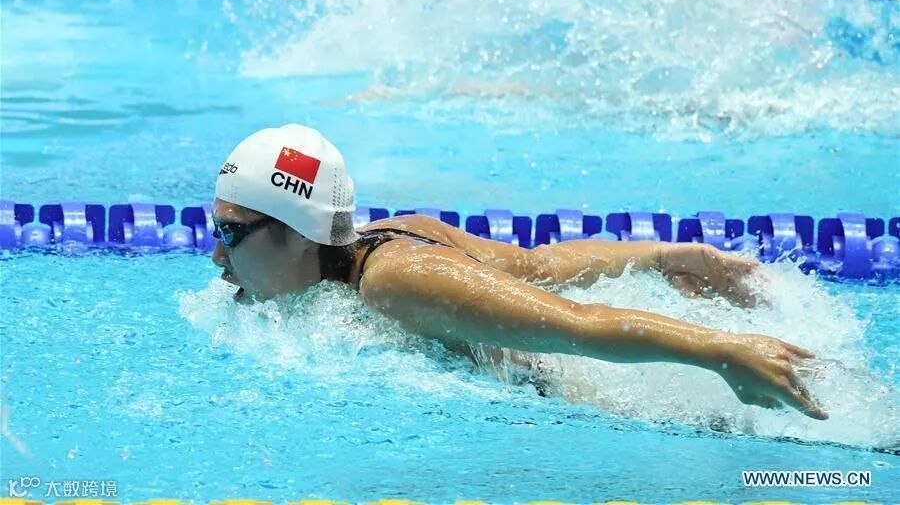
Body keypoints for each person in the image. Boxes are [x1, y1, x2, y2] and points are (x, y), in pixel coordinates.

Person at [211, 123, 828, 420]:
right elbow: (540, 265)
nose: (217, 256)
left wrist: (722, 352)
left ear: (298, 232)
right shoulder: (399, 231)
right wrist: (665, 257)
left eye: (230, 233)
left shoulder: (398, 280)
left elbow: (578, 324)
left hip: (597, 404)